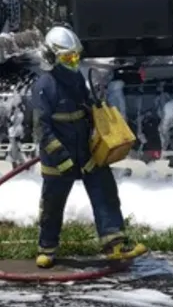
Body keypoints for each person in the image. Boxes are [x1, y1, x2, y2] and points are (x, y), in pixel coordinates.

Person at [30, 25, 148, 269]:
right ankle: (47, 249)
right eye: (68, 57)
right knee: (52, 205)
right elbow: (41, 129)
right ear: (52, 57)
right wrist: (61, 157)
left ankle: (114, 243)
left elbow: (84, 115)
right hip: (58, 160)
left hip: (84, 153)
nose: (74, 62)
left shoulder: (76, 79)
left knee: (105, 190)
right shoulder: (44, 86)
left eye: (76, 56)